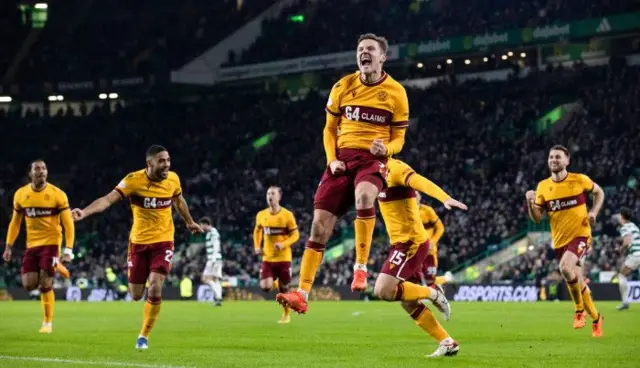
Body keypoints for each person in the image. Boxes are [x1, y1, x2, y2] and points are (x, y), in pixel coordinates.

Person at [277, 33, 409, 313]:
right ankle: (302, 293)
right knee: (318, 227)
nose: (364, 52)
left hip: (372, 159)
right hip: (341, 160)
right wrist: (331, 159)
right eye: (360, 49)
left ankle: (360, 268)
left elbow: (400, 139)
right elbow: (328, 129)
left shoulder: (396, 92)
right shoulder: (342, 86)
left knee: (364, 197)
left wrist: (385, 148)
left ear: (382, 56)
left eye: (370, 49)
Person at [71, 145, 203, 349]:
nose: (167, 164)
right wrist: (85, 212)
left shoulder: (173, 179)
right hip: (139, 243)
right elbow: (107, 199)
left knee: (156, 285)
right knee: (135, 294)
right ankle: (144, 310)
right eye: (161, 161)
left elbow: (179, 200)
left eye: (168, 160)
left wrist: (189, 221)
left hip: (164, 240)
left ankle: (143, 336)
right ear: (149, 163)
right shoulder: (133, 180)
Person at [374, 158, 468, 357]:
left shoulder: (395, 168)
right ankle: (447, 342)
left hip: (411, 244)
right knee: (407, 300)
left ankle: (433, 292)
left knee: (383, 290)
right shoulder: (370, 172)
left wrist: (444, 198)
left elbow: (419, 181)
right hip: (400, 243)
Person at [526, 145, 604, 337]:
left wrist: (593, 212)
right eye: (551, 157)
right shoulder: (543, 186)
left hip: (581, 235)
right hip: (560, 241)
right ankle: (596, 318)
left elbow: (599, 192)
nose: (554, 160)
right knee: (576, 279)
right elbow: (537, 217)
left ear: (567, 160)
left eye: (558, 157)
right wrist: (530, 202)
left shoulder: (579, 179)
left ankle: (578, 310)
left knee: (565, 268)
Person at [3, 159, 75, 333]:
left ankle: (47, 323)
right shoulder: (21, 195)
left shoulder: (58, 194)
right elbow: (15, 222)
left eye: (44, 168)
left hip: (51, 242)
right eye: (37, 169)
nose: (41, 171)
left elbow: (68, 224)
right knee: (29, 285)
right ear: (30, 173)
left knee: (45, 284)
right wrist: (8, 246)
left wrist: (68, 250)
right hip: (32, 244)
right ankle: (57, 265)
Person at [254, 186, 299, 323]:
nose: (270, 196)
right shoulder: (261, 215)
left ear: (279, 197)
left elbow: (295, 234)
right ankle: (273, 282)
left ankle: (286, 314)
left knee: (284, 289)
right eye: (268, 193)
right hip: (268, 257)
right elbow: (257, 231)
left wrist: (283, 244)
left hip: (284, 258)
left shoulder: (287, 215)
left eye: (272, 193)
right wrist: (257, 246)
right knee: (265, 287)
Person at [416, 192, 453, 286]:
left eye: (416, 195)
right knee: (414, 276)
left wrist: (432, 242)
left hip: (429, 250)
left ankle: (445, 279)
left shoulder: (427, 210)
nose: (414, 197)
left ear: (419, 197)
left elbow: (440, 227)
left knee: (429, 279)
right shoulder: (407, 212)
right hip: (414, 249)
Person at [614, 207, 640, 310]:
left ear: (622, 217)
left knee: (621, 274)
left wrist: (620, 249)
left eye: (619, 216)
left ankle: (625, 302)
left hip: (636, 254)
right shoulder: (634, 226)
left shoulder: (624, 227)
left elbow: (627, 241)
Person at [199, 217, 223, 306]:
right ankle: (218, 299)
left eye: (201, 225)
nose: (201, 227)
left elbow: (216, 244)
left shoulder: (213, 232)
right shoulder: (211, 232)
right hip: (216, 259)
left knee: (205, 278)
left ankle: (218, 296)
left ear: (205, 224)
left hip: (214, 259)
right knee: (215, 279)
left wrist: (213, 259)